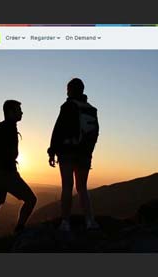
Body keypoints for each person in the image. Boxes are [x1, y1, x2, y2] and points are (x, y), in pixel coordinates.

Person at [48, 78, 100, 232]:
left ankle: (65, 223)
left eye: (67, 89)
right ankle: (90, 221)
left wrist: (52, 151)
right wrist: (88, 153)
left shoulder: (67, 106)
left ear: (70, 90)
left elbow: (58, 130)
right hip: (84, 154)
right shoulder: (91, 109)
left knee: (67, 187)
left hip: (67, 152)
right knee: (82, 187)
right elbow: (95, 134)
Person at [0, 100, 37, 241]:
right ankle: (19, 230)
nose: (21, 112)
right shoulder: (9, 128)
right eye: (18, 109)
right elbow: (9, 153)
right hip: (7, 174)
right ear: (10, 112)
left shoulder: (1, 127)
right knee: (31, 200)